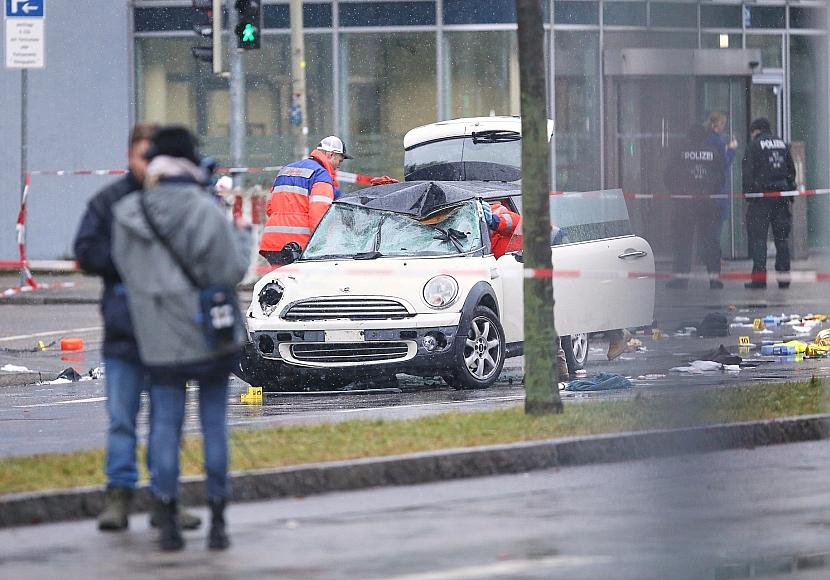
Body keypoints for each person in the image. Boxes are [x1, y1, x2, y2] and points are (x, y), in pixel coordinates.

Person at [112, 126, 252, 551]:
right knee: (213, 425)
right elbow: (229, 271)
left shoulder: (128, 212)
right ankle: (218, 521)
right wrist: (244, 238)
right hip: (209, 333)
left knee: (164, 427)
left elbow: (127, 273)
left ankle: (168, 520)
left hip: (158, 339)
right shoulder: (205, 209)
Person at [73, 124, 202, 533]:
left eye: (155, 157)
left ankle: (167, 498)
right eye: (142, 156)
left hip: (168, 333)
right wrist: (131, 258)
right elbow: (86, 251)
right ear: (129, 155)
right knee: (122, 419)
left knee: (167, 421)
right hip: (125, 333)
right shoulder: (109, 201)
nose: (149, 166)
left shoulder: (181, 201)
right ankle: (119, 496)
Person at [259, 135, 352, 265]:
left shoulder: (286, 170)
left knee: (280, 283)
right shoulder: (321, 175)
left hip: (272, 243)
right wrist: (322, 246)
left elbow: (270, 207)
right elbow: (319, 215)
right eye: (339, 161)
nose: (338, 166)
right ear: (331, 155)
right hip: (298, 246)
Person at [664, 124, 725, 290]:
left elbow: (668, 175)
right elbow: (721, 177)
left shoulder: (680, 151)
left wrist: (678, 191)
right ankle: (714, 278)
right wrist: (710, 190)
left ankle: (681, 279)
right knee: (710, 241)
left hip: (685, 204)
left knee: (683, 242)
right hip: (707, 203)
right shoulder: (713, 152)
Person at [742, 117, 797, 289]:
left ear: (756, 130)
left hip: (761, 198)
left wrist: (749, 195)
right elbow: (791, 171)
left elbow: (748, 173)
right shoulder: (781, 144)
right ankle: (784, 278)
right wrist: (789, 191)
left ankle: (759, 280)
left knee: (759, 240)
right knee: (781, 239)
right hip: (781, 197)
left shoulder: (754, 146)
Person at [705, 111, 738, 257]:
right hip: (718, 190)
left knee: (710, 227)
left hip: (708, 190)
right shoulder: (717, 141)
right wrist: (731, 150)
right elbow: (724, 163)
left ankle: (710, 256)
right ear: (716, 124)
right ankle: (714, 258)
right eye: (722, 123)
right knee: (716, 227)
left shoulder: (707, 139)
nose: (724, 127)